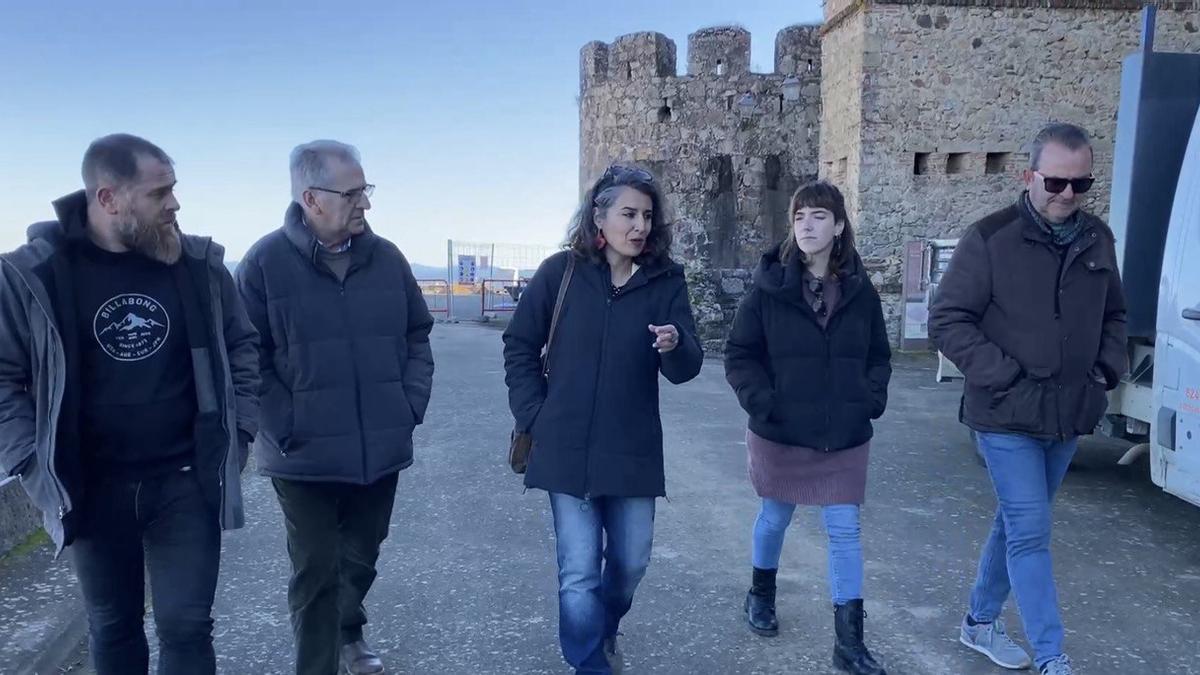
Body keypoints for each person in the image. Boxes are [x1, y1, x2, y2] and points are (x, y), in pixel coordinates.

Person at [0, 133, 261, 674]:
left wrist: (240, 435)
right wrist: (30, 460)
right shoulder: (35, 274)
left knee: (187, 626)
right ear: (108, 198)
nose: (175, 204)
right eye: (159, 192)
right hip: (91, 487)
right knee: (113, 627)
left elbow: (242, 346)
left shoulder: (198, 265)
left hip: (186, 482)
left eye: (173, 189)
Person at [929, 123, 1128, 675]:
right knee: (1031, 531)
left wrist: (1104, 372)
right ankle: (1051, 654)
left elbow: (1114, 313)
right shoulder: (990, 238)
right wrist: (1004, 375)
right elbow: (947, 319)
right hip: (1005, 413)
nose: (1067, 194)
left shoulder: (1098, 238)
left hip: (1069, 412)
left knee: (1017, 523)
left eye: (1081, 184)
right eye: (1056, 182)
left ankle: (978, 621)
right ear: (1029, 176)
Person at [236, 140, 435, 675]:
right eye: (352, 194)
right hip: (302, 454)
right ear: (312, 199)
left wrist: (408, 404)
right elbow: (247, 356)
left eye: (365, 191)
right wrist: (286, 423)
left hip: (380, 447)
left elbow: (418, 334)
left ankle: (349, 629)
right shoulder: (263, 264)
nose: (365, 203)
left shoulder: (388, 259)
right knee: (316, 570)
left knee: (362, 557)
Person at [502, 164, 703, 675]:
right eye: (628, 214)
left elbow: (686, 368)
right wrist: (535, 414)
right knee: (578, 573)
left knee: (631, 563)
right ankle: (589, 662)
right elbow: (519, 345)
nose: (639, 226)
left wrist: (676, 344)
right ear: (599, 216)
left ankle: (605, 625)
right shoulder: (560, 273)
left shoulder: (665, 280)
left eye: (647, 216)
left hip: (632, 449)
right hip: (564, 448)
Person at [724, 180, 892, 675]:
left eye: (818, 216)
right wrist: (763, 403)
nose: (806, 225)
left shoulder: (861, 292)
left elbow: (879, 356)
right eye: (799, 217)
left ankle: (849, 644)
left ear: (838, 226)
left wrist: (869, 399)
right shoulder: (768, 289)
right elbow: (739, 354)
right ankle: (760, 594)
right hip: (781, 430)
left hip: (844, 432)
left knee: (845, 530)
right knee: (775, 517)